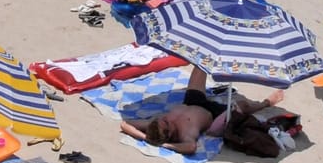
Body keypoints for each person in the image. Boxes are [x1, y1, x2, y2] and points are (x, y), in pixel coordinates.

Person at [118, 65, 284, 154]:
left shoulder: (153, 126)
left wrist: (146, 137)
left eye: (162, 119)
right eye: (165, 123)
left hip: (192, 101)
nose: (164, 118)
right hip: (212, 114)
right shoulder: (185, 134)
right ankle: (267, 103)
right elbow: (191, 147)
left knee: (200, 66)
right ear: (169, 133)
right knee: (242, 106)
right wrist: (167, 145)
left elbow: (126, 124)